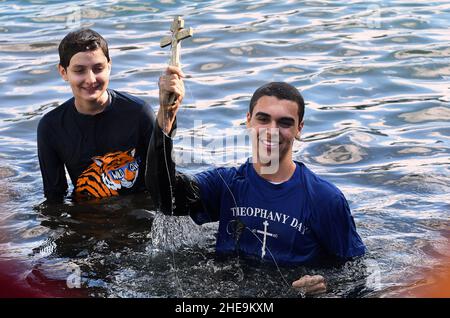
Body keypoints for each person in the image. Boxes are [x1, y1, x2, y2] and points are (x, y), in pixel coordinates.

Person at [148, 78, 366, 295]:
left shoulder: (325, 200)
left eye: (285, 123)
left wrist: (325, 285)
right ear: (249, 120)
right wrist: (166, 118)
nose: (272, 130)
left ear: (299, 129)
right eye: (264, 119)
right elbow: (166, 199)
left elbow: (357, 273)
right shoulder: (226, 184)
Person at [37, 28, 183, 203]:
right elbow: (54, 196)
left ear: (109, 67)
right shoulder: (51, 126)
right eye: (79, 70)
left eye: (98, 68)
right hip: (90, 215)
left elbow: (163, 175)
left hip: (138, 211)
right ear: (63, 72)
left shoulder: (138, 113)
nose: (91, 79)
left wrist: (167, 112)